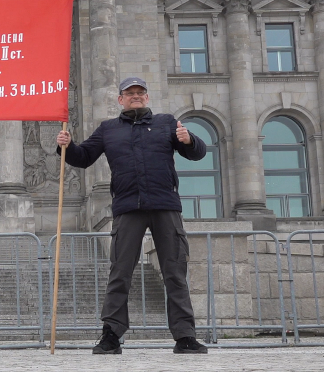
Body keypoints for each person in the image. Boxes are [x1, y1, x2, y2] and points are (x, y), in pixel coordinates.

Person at [56, 76, 209, 355]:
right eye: (130, 93)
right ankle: (111, 335)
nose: (135, 96)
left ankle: (185, 336)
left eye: (140, 92)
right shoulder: (108, 129)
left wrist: (190, 139)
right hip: (128, 208)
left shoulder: (166, 123)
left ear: (147, 97)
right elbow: (83, 157)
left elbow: (197, 154)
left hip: (165, 206)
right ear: (120, 99)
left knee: (175, 272)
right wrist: (66, 145)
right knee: (120, 273)